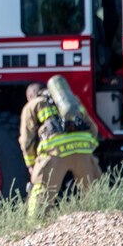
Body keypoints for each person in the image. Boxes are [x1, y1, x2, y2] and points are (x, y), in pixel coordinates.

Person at [19, 81, 102, 220]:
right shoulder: (71, 100)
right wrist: (88, 149)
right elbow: (93, 129)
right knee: (95, 194)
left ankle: (34, 228)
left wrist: (31, 165)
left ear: (30, 96)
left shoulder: (33, 105)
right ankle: (102, 222)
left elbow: (26, 141)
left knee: (41, 196)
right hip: (83, 149)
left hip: (55, 152)